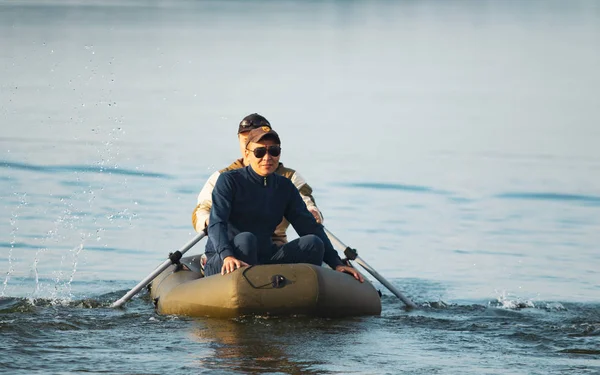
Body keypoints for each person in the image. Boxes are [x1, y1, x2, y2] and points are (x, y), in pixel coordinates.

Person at [204, 126, 363, 281]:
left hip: (263, 256)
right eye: (260, 152)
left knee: (313, 243)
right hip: (226, 257)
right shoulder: (229, 181)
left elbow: (310, 227)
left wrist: (336, 263)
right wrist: (227, 255)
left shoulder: (284, 186)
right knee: (246, 240)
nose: (267, 158)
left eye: (273, 151)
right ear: (247, 154)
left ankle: (298, 295)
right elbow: (216, 223)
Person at [192, 113, 322, 246]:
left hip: (275, 244)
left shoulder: (290, 178)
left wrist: (313, 211)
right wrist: (210, 221)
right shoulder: (223, 177)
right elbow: (201, 211)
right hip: (233, 245)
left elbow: (307, 203)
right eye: (247, 139)